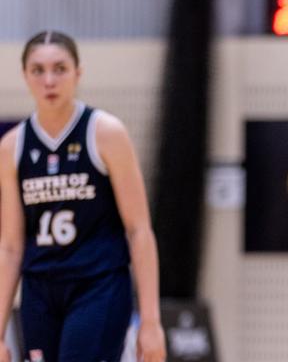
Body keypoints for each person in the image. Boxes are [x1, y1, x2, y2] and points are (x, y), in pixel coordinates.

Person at [0, 31, 166, 362]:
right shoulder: (12, 147)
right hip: (40, 292)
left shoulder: (105, 133)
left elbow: (139, 230)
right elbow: (10, 247)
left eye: (60, 68)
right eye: (38, 70)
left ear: (78, 73)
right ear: (25, 76)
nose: (49, 80)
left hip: (98, 286)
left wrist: (151, 322)